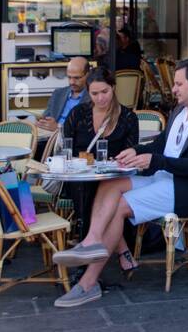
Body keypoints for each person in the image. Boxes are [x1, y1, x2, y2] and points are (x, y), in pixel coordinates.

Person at [51, 59, 188, 307]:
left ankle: (88, 284)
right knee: (112, 183)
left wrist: (155, 161)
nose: (174, 89)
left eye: (178, 84)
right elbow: (161, 145)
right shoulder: (178, 111)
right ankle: (91, 241)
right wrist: (134, 151)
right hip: (165, 179)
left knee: (120, 205)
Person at [58, 66, 141, 245]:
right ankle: (102, 244)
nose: (101, 98)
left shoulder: (128, 117)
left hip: (112, 178)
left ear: (113, 88)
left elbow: (130, 154)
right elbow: (67, 148)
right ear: (88, 92)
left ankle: (88, 242)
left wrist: (115, 161)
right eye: (95, 94)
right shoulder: (78, 113)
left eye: (105, 91)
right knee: (86, 188)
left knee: (97, 188)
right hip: (79, 177)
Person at [37, 56, 89, 133]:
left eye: (77, 78)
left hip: (72, 140)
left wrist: (59, 127)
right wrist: (42, 122)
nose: (72, 82)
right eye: (69, 77)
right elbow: (45, 117)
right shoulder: (58, 93)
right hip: (49, 137)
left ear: (87, 75)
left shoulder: (93, 97)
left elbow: (86, 129)